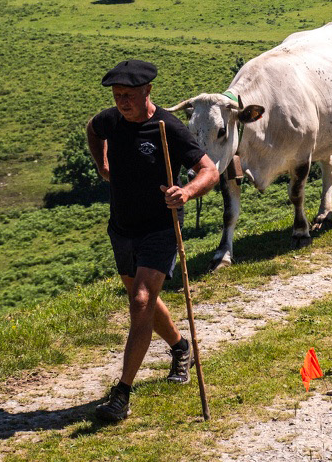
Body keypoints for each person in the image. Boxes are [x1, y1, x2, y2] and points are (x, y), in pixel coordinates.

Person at [85, 59, 220, 423]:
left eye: (128, 95)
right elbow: (92, 129)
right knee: (140, 299)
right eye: (116, 96)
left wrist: (187, 193)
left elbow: (210, 171)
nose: (121, 102)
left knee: (142, 301)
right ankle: (180, 347)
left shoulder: (168, 128)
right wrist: (102, 165)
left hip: (160, 228)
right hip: (122, 227)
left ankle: (121, 395)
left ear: (147, 92)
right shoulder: (110, 121)